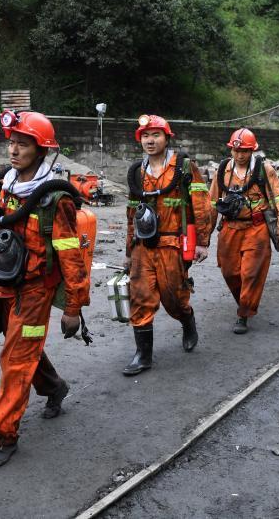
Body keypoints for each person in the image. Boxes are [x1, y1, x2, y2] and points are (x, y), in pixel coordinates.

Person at [0, 111, 90, 469]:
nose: (14, 150)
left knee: (16, 360)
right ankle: (54, 387)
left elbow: (73, 259)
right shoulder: (7, 186)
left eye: (22, 144)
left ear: (41, 151)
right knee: (20, 349)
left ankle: (1, 436)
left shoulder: (55, 199)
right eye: (11, 142)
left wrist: (73, 308)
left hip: (36, 292)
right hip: (5, 284)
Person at [122, 115, 213, 374]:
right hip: (143, 245)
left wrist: (202, 242)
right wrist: (128, 251)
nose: (150, 141)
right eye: (145, 136)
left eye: (156, 135)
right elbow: (132, 213)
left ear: (167, 137)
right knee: (139, 296)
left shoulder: (184, 167)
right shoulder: (137, 172)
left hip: (173, 242)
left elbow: (201, 205)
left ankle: (187, 320)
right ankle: (143, 355)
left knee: (174, 297)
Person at [209, 128, 279, 334]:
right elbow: (211, 203)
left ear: (252, 151)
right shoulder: (223, 170)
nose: (240, 155)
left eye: (245, 151)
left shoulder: (264, 170)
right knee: (229, 272)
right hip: (230, 228)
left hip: (256, 228)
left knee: (250, 273)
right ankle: (244, 301)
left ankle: (244, 314)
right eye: (236, 151)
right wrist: (203, 238)